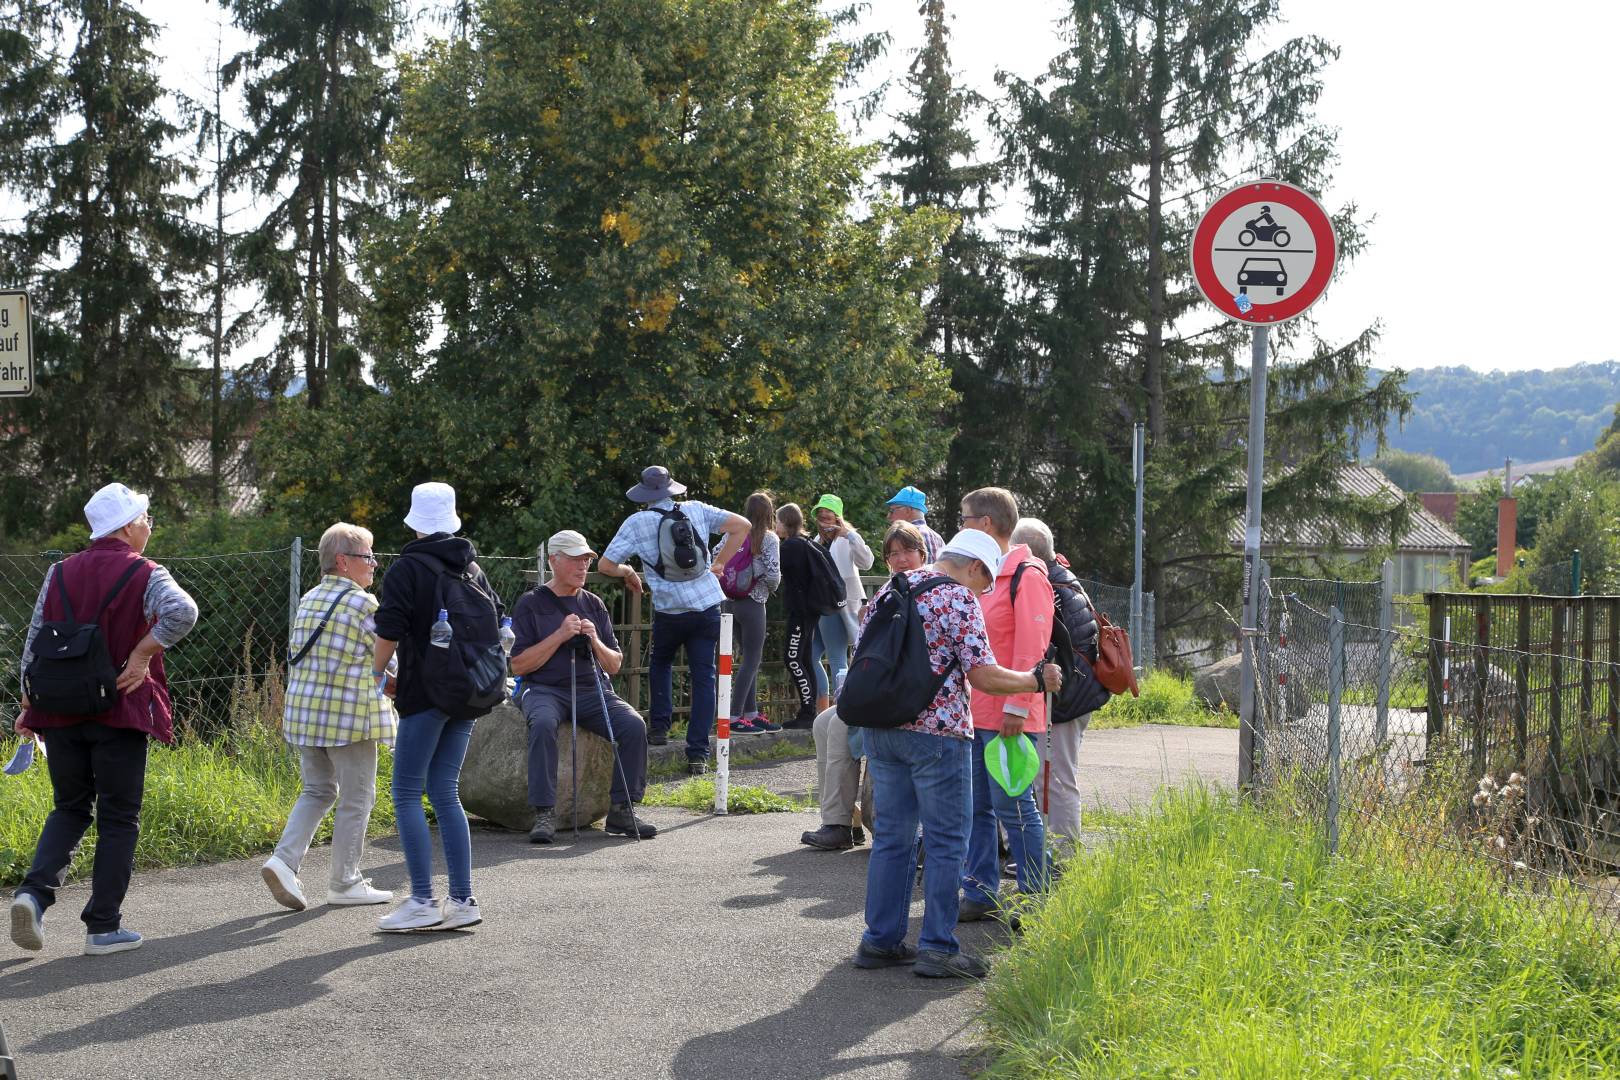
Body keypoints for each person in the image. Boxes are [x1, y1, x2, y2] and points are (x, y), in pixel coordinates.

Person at [854, 529, 1062, 980]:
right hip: (938, 732)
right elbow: (983, 675)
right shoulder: (956, 598)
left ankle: (880, 940)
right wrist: (1034, 681)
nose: (983, 591)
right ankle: (938, 948)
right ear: (974, 566)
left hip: (882, 728)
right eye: (984, 581)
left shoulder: (894, 585)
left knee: (893, 836)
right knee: (948, 840)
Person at [9, 483, 198, 956]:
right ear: (129, 526)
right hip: (120, 707)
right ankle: (103, 927)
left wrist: (29, 704)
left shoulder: (59, 573)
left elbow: (33, 645)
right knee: (118, 817)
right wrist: (140, 655)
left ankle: (33, 895)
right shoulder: (146, 573)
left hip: (59, 707)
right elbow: (183, 611)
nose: (149, 527)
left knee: (70, 808)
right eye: (147, 519)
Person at [373, 482, 502, 932]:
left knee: (407, 791)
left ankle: (423, 900)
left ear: (413, 522)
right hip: (467, 693)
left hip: (425, 691)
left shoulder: (407, 568)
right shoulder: (472, 568)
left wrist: (377, 673)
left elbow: (388, 628)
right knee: (445, 791)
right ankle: (463, 900)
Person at [261, 522, 397, 912]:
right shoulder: (363, 604)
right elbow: (387, 657)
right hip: (348, 718)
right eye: (368, 556)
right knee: (357, 798)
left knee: (318, 790)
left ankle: (283, 862)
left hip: (306, 715)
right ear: (343, 561)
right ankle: (345, 882)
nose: (374, 564)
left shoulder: (310, 599)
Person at [598, 466, 750, 775]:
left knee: (660, 663)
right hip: (706, 607)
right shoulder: (695, 509)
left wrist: (628, 571)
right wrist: (718, 564)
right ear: (671, 489)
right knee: (705, 676)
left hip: (669, 611)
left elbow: (605, 564)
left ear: (645, 494)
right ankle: (698, 754)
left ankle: (659, 730)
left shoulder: (637, 522)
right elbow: (742, 525)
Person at [511, 530, 657, 844]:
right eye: (576, 560)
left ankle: (622, 808)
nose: (583, 567)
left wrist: (594, 641)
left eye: (587, 560)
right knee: (543, 723)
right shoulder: (531, 604)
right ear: (554, 560)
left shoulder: (594, 604)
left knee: (633, 725)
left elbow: (615, 665)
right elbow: (518, 665)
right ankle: (544, 812)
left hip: (592, 689)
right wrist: (560, 636)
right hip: (544, 688)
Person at [958, 487, 1054, 923]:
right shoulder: (985, 571)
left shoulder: (1026, 574)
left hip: (1010, 717)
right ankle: (980, 891)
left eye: (964, 518)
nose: (960, 526)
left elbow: (1032, 647)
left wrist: (1017, 707)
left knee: (1014, 808)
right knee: (977, 808)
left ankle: (1035, 897)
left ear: (986, 523)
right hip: (976, 712)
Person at [801, 522, 928, 851]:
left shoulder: (929, 591)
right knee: (822, 722)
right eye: (893, 554)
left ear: (923, 554)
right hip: (878, 688)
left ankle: (838, 823)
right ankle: (844, 819)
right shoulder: (889, 591)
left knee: (841, 726)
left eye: (907, 551)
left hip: (904, 696)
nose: (901, 559)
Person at [1010, 517, 1101, 849]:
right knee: (1057, 776)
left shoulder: (1045, 586)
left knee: (1054, 778)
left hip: (1064, 698)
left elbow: (1043, 647)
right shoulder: (1064, 579)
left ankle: (1061, 854)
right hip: (1079, 692)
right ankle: (1057, 849)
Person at [719, 492, 782, 736]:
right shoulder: (769, 538)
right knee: (752, 659)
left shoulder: (732, 534)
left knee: (745, 658)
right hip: (753, 602)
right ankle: (733, 716)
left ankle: (751, 713)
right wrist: (766, 587)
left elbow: (715, 558)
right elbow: (774, 575)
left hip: (729, 601)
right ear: (769, 513)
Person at [808, 494, 873, 711]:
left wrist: (851, 535)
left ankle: (841, 709)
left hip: (837, 605)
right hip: (818, 605)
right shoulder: (815, 542)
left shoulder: (847, 538)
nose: (823, 521)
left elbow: (867, 562)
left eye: (828, 516)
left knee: (837, 658)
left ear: (838, 518)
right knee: (807, 656)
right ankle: (823, 708)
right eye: (820, 516)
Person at [774, 502, 821, 729]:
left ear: (786, 522)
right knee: (804, 659)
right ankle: (809, 710)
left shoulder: (790, 546)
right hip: (810, 610)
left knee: (792, 659)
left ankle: (807, 711)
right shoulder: (805, 542)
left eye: (777, 521)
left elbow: (772, 571)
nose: (775, 525)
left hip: (800, 612)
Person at [884, 486, 946, 563]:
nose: (888, 516)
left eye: (892, 511)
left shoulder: (911, 535)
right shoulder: (938, 538)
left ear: (908, 510)